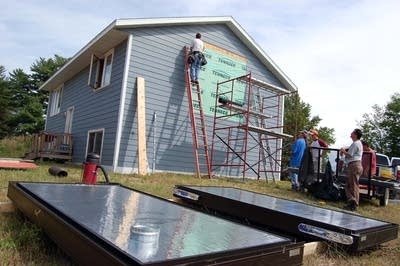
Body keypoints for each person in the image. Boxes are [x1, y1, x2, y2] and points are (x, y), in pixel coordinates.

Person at [340, 128, 363, 211]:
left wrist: (343, 151)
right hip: (356, 165)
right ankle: (352, 202)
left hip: (354, 165)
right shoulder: (357, 143)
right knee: (350, 185)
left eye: (353, 132)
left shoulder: (356, 143)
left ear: (356, 135)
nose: (351, 133)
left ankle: (354, 204)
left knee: (353, 186)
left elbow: (350, 155)